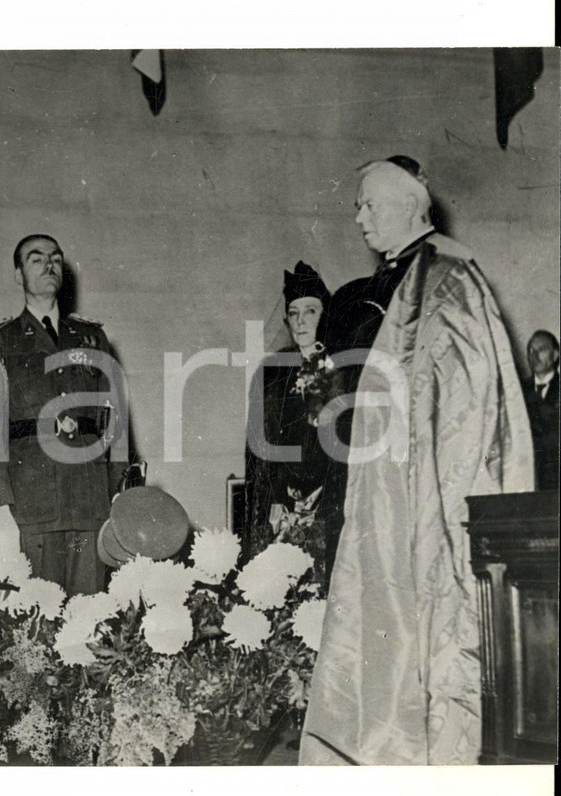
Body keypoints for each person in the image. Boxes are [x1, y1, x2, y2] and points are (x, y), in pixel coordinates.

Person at [299, 157, 534, 765]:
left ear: (408, 205)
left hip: (430, 491)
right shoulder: (390, 281)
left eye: (367, 204)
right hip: (382, 487)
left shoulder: (451, 277)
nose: (357, 218)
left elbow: (465, 401)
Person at [0, 234, 125, 595]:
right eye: (36, 259)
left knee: (89, 618)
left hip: (89, 501)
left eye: (55, 258)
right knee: (38, 622)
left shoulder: (91, 339)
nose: (49, 265)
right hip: (31, 505)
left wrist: (118, 490)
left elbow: (114, 420)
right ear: (18, 276)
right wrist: (0, 508)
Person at [244, 262, 345, 586]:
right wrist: (277, 494)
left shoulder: (344, 369)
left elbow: (348, 440)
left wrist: (321, 494)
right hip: (282, 501)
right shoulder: (272, 372)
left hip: (330, 500)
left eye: (311, 311)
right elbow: (260, 444)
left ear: (324, 315)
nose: (301, 321)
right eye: (294, 312)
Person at [521, 330, 560, 490]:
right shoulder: (518, 391)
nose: (534, 356)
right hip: (527, 476)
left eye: (541, 350)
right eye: (531, 351)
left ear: (555, 355)